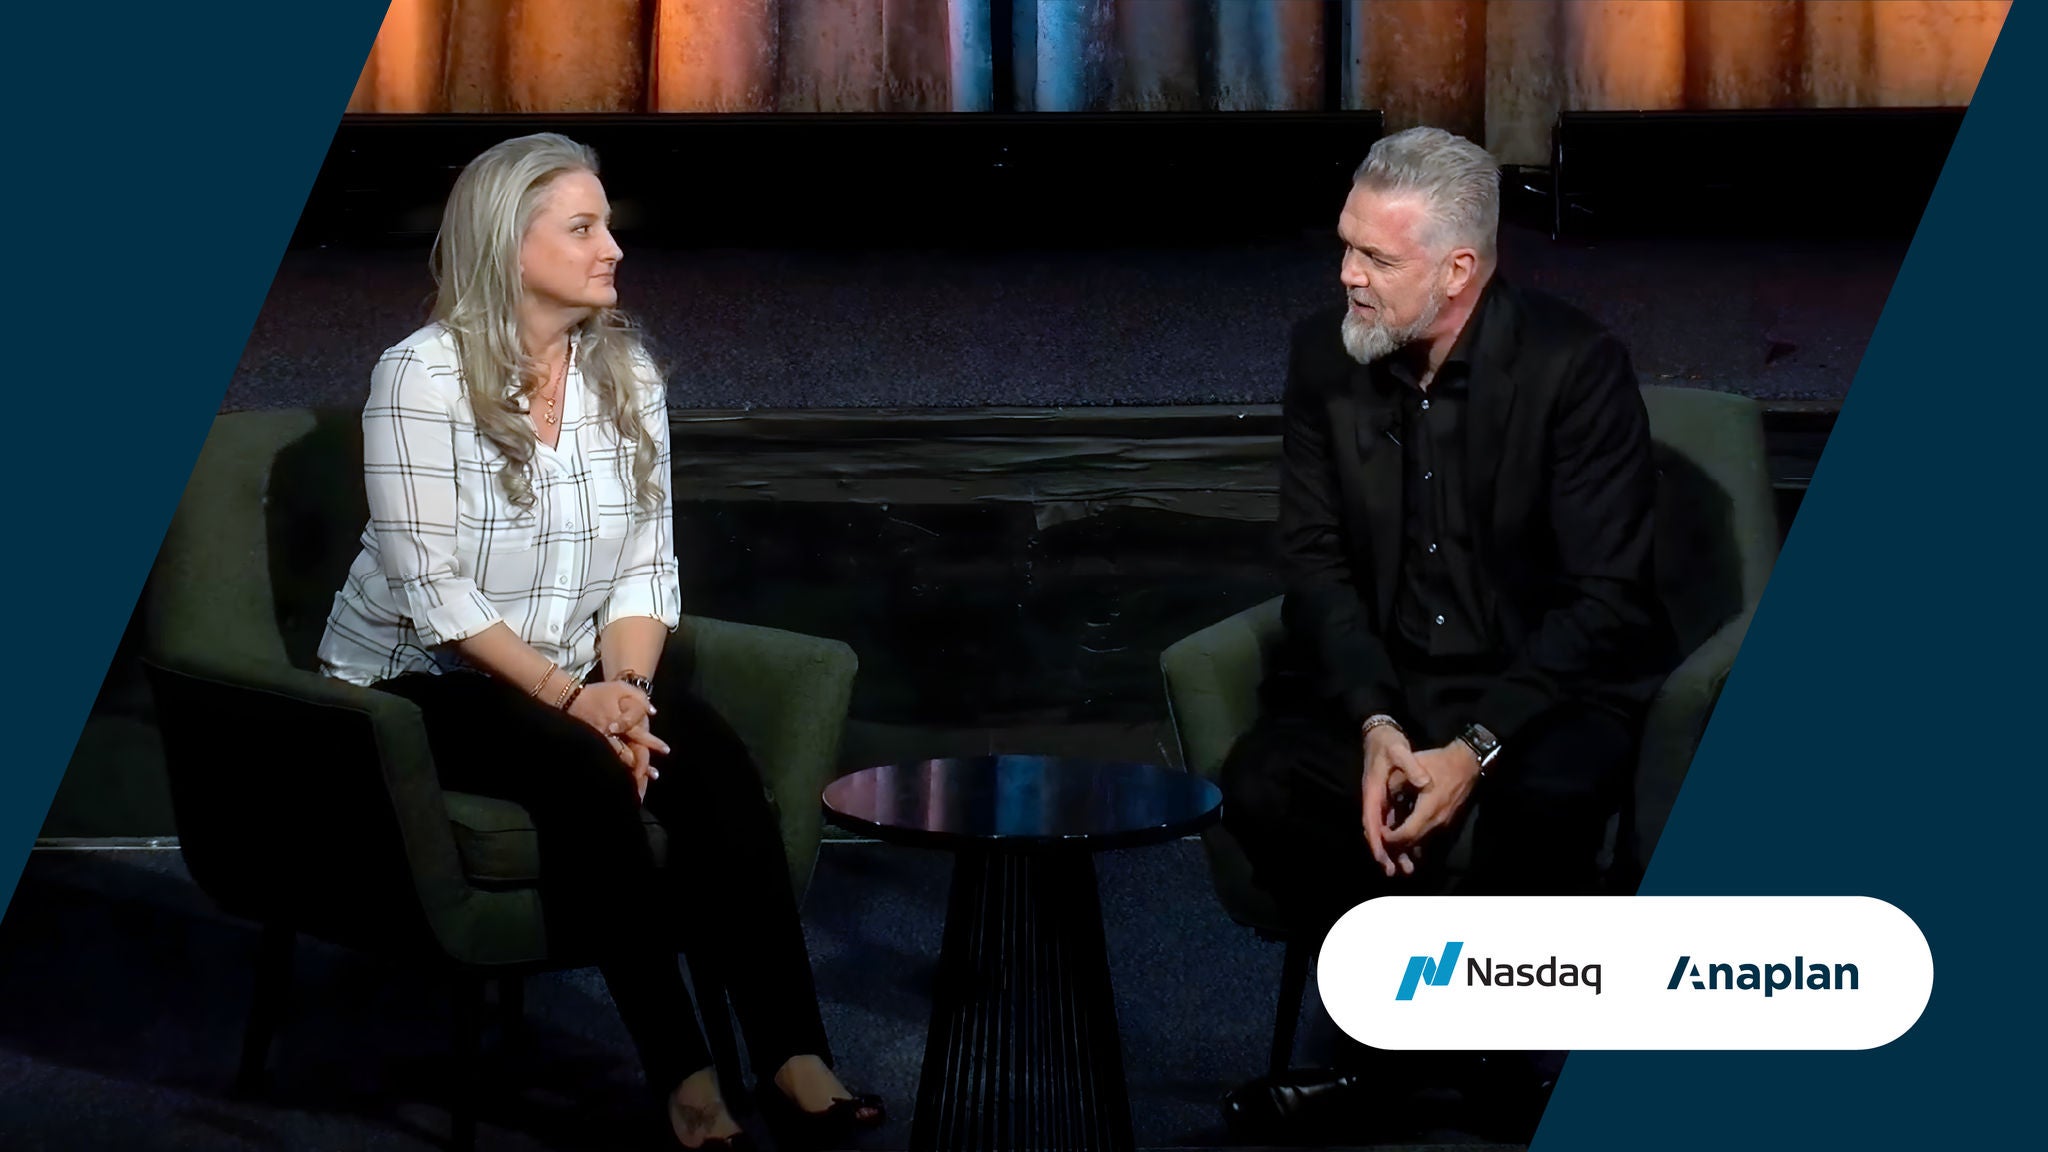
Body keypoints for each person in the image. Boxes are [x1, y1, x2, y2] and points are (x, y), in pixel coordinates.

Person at [317, 133, 883, 1151]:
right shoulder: (419, 376)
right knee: (581, 773)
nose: (612, 247)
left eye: (607, 223)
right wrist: (576, 707)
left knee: (708, 761)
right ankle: (684, 1079)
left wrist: (622, 689)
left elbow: (644, 568)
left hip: (576, 671)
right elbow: (431, 589)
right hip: (415, 680)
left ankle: (795, 1055)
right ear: (506, 243)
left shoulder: (622, 374)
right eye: (583, 227)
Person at [1217, 126, 1678, 1141]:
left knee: (1546, 793)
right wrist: (1378, 723)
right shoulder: (1320, 360)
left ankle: (1488, 1060)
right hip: (1389, 679)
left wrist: (1474, 749)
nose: (1345, 275)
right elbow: (1314, 565)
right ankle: (1407, 1056)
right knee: (1267, 779)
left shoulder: (1573, 366)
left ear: (1458, 268)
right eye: (1343, 247)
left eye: (1375, 257)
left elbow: (1604, 600)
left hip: (1534, 686)